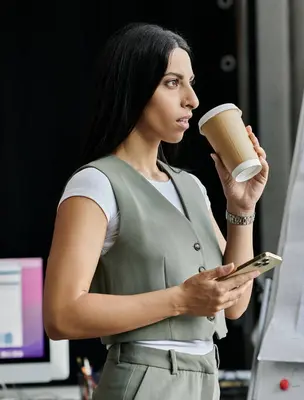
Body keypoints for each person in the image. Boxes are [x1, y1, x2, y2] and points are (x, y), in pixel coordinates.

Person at [42, 22, 268, 400]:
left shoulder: (192, 186)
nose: (192, 100)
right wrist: (180, 299)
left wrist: (241, 208)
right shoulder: (96, 184)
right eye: (172, 82)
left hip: (204, 381)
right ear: (134, 87)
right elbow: (60, 315)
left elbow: (235, 306)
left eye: (191, 82)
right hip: (144, 382)